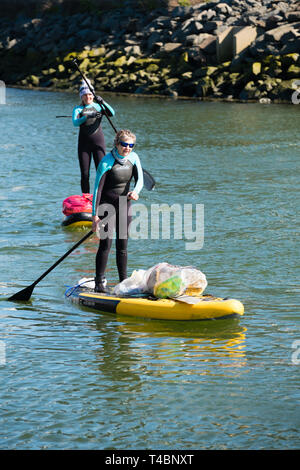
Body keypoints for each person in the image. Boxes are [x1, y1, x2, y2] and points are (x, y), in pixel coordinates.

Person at [91, 129, 144, 292]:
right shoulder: (106, 162)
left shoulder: (134, 158)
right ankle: (99, 284)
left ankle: (123, 283)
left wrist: (135, 191)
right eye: (124, 144)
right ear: (116, 144)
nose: (127, 148)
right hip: (106, 206)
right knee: (105, 245)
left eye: (131, 145)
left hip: (124, 205)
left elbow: (140, 179)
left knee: (123, 246)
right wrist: (94, 216)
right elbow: (97, 190)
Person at [72, 79, 115, 194]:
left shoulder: (99, 106)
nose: (88, 97)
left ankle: (103, 195)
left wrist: (103, 102)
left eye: (90, 94)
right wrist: (85, 117)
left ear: (93, 95)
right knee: (85, 173)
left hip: (98, 143)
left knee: (101, 170)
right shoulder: (78, 109)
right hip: (83, 145)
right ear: (81, 97)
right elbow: (75, 123)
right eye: (85, 95)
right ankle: (86, 197)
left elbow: (112, 113)